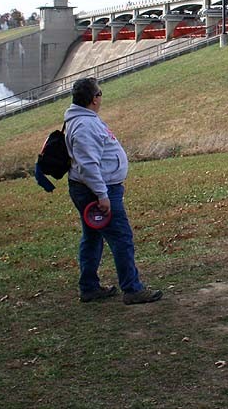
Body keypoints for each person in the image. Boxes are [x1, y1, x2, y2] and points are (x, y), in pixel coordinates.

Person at [64, 77, 162, 304]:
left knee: (92, 237)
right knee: (121, 237)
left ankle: (89, 287)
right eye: (100, 93)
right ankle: (132, 289)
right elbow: (88, 165)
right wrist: (102, 195)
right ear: (94, 99)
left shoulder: (84, 119)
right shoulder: (84, 125)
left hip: (93, 188)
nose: (101, 98)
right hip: (97, 191)